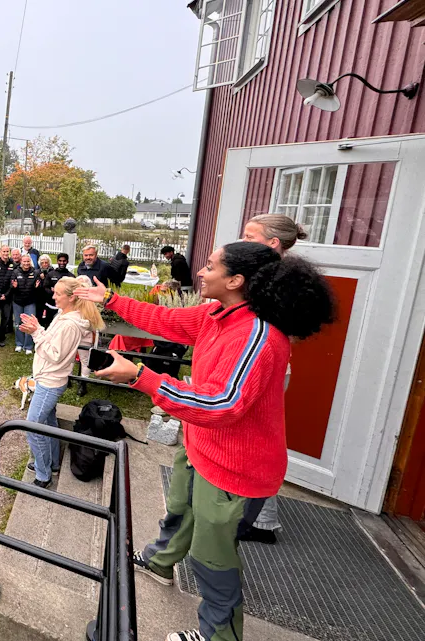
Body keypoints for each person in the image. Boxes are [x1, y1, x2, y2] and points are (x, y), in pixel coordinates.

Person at [76, 242, 334, 641]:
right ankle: (161, 563)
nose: (201, 271)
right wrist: (111, 299)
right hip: (201, 448)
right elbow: (166, 319)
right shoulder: (219, 313)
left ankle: (219, 635)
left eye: (211, 266)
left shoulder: (257, 336)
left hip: (235, 471)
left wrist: (140, 377)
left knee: (212, 559)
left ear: (235, 280)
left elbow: (222, 404)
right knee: (179, 510)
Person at [238, 213, 308, 545]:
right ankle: (258, 514)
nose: (244, 239)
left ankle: (262, 520)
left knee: (258, 443)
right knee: (255, 440)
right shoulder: (273, 276)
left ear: (273, 243)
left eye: (250, 236)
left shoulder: (280, 281)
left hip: (266, 368)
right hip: (266, 367)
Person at [17, 277, 103, 488]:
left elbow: (55, 354)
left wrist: (35, 333)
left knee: (33, 425)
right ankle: (52, 463)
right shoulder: (63, 315)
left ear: (71, 297)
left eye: (57, 294)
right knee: (48, 423)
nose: (53, 296)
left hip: (50, 382)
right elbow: (52, 341)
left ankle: (43, 474)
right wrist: (38, 328)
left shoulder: (70, 325)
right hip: (48, 378)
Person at [11, 254, 42, 354]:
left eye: (28, 261)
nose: (26, 263)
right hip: (18, 302)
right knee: (18, 323)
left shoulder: (35, 272)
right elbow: (11, 287)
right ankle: (19, 344)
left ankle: (28, 346)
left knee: (29, 323)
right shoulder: (15, 272)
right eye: (24, 261)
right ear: (21, 262)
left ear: (30, 262)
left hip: (30, 302)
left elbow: (39, 289)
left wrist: (38, 287)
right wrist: (14, 287)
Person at [42, 253, 73, 329]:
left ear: (67, 261)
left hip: (64, 307)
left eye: (64, 261)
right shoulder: (51, 274)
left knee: (61, 328)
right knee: (48, 326)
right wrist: (55, 292)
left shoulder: (71, 276)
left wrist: (62, 293)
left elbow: (72, 291)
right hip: (50, 305)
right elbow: (45, 287)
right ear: (57, 261)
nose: (62, 263)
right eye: (60, 261)